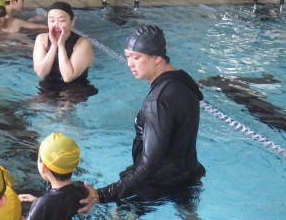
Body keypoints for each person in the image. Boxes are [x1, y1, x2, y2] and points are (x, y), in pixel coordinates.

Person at [81, 25, 206, 208]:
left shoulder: (157, 102)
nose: (129, 64)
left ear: (157, 58)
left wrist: (102, 195)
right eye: (127, 56)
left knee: (123, 215)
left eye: (136, 57)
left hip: (157, 184)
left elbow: (148, 167)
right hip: (189, 173)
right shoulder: (184, 82)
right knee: (189, 217)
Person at [17, 133, 87, 220]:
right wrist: (37, 202)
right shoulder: (80, 189)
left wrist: (18, 218)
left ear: (43, 167)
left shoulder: (43, 203)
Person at [32, 1, 94, 86]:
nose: (56, 25)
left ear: (72, 21)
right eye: (52, 20)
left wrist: (61, 46)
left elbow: (68, 77)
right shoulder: (41, 39)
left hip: (77, 88)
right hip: (48, 86)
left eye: (62, 20)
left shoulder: (83, 43)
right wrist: (54, 46)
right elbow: (41, 73)